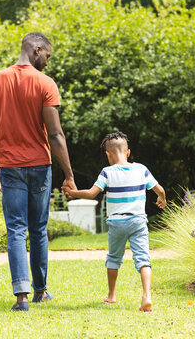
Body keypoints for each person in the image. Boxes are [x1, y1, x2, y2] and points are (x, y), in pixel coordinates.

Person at [0, 32, 76, 311]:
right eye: (47, 55)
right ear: (37, 50)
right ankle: (40, 291)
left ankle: (21, 297)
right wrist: (68, 174)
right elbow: (56, 134)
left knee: (15, 229)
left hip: (9, 167)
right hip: (39, 166)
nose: (47, 62)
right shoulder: (45, 83)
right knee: (37, 229)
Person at [63, 131, 166, 312]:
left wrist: (73, 193)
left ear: (108, 154)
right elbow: (160, 189)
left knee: (113, 258)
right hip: (138, 222)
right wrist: (161, 198)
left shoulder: (107, 172)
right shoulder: (141, 169)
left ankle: (111, 296)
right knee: (143, 259)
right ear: (127, 152)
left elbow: (91, 193)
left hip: (117, 223)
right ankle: (146, 296)